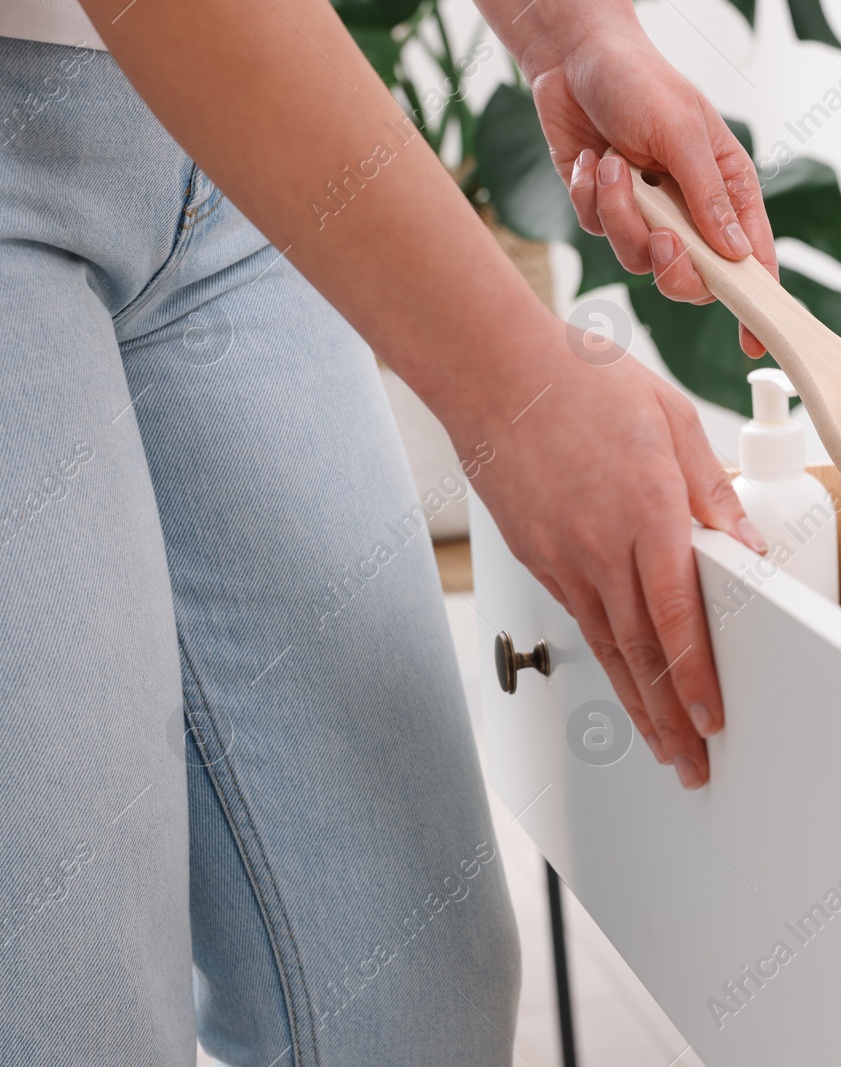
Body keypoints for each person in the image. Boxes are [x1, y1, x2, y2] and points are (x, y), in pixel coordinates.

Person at [0, 0, 775, 1060]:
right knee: (66, 1021)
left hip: (240, 133)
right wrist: (511, 389)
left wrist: (572, 34)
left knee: (414, 1001)